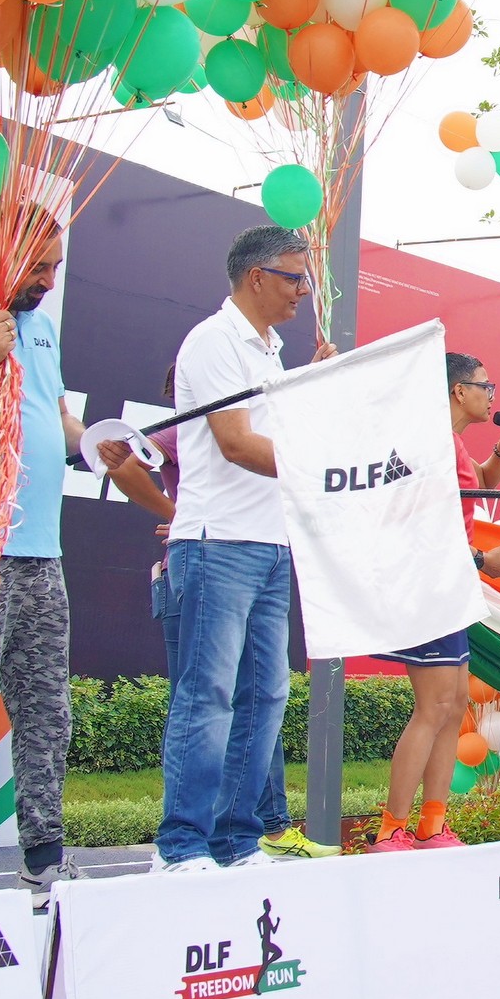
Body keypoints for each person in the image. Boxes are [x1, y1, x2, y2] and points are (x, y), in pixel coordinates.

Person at [0, 233, 163, 903]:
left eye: (54, 267)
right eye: (37, 267)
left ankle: (44, 858)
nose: (48, 280)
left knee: (46, 711)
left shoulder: (39, 328)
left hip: (41, 551)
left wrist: (92, 443)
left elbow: (55, 416)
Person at [155, 226, 334, 873]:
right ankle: (181, 845)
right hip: (218, 543)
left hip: (271, 543)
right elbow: (234, 442)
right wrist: (325, 470)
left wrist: (315, 387)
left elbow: (281, 434)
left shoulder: (271, 353)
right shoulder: (214, 341)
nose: (303, 291)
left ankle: (234, 840)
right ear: (256, 277)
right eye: (294, 278)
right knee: (208, 696)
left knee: (266, 698)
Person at [375, 351, 500, 851]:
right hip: (428, 586)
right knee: (434, 706)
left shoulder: (454, 444)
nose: (492, 396)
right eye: (486, 386)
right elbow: (419, 529)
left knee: (455, 702)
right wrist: (483, 560)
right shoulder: (426, 447)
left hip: (452, 587)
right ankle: (391, 829)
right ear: (459, 391)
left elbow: (479, 487)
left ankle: (432, 824)